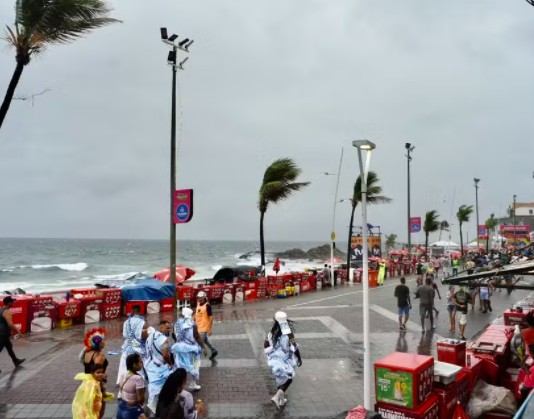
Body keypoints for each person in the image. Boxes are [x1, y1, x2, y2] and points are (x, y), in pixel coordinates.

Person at [264, 311, 302, 408]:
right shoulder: (289, 334)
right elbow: (294, 347)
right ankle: (277, 397)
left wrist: (271, 353)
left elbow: (266, 345)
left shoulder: (271, 333)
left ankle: (281, 400)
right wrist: (299, 358)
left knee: (280, 378)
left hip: (274, 360)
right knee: (289, 378)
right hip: (286, 359)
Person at [172, 307, 207, 391]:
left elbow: (173, 335)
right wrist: (203, 347)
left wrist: (179, 343)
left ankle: (179, 385)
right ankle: (192, 383)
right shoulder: (192, 324)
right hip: (190, 349)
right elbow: (197, 336)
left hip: (179, 348)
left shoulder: (176, 323)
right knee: (194, 365)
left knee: (180, 366)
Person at [145, 321, 174, 414]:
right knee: (163, 385)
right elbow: (165, 355)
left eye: (170, 328)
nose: (169, 330)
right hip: (160, 367)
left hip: (150, 366)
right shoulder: (163, 339)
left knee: (153, 385)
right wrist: (171, 364)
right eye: (167, 328)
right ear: (161, 328)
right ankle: (156, 404)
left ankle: (152, 403)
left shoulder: (150, 337)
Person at [118, 305, 148, 385]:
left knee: (124, 368)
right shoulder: (142, 323)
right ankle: (138, 385)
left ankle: (122, 387)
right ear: (140, 311)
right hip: (137, 349)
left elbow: (124, 335)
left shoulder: (126, 322)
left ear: (132, 311)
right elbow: (145, 336)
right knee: (139, 369)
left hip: (127, 348)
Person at [0, 296, 25, 374]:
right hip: (2, 334)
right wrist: (18, 332)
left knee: (9, 347)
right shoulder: (7, 312)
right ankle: (15, 360)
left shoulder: (1, 310)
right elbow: (10, 324)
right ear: (9, 303)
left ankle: (15, 360)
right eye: (12, 302)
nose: (13, 303)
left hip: (3, 333)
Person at [117, 354, 146, 419]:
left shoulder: (123, 374)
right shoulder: (138, 379)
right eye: (140, 362)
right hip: (132, 411)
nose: (142, 364)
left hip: (121, 408)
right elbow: (140, 399)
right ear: (134, 365)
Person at [195, 291, 218, 360]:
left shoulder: (207, 306)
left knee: (198, 343)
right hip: (198, 327)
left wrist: (210, 329)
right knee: (205, 341)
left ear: (204, 297)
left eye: (200, 297)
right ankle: (214, 351)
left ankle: (195, 359)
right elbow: (196, 314)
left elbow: (211, 317)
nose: (199, 298)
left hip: (204, 328)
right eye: (198, 297)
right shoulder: (198, 304)